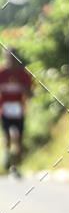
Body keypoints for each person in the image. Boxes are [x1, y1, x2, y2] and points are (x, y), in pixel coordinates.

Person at [0, 47, 33, 178]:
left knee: (19, 139)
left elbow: (30, 93)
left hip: (19, 110)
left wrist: (24, 90)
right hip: (5, 110)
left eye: (13, 57)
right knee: (7, 136)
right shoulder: (2, 73)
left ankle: (16, 166)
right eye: (9, 57)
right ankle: (7, 158)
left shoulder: (23, 74)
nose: (11, 60)